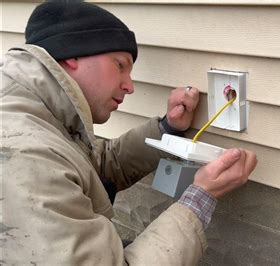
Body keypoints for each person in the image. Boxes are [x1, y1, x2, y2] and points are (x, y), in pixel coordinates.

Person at [0, 2, 257, 265]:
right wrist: (200, 199)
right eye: (120, 65)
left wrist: (168, 128)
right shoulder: (25, 154)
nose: (130, 86)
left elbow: (92, 167)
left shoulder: (32, 113)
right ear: (71, 55)